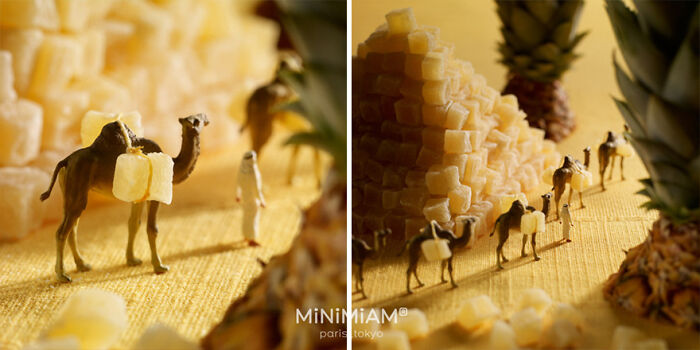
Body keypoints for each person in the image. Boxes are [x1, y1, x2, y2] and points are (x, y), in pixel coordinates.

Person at [236, 150, 266, 246]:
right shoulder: (253, 173)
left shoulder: (241, 170)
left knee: (246, 217)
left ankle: (246, 235)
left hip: (245, 197)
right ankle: (251, 239)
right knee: (253, 218)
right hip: (253, 199)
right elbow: (257, 189)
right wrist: (262, 200)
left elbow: (238, 184)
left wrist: (238, 195)